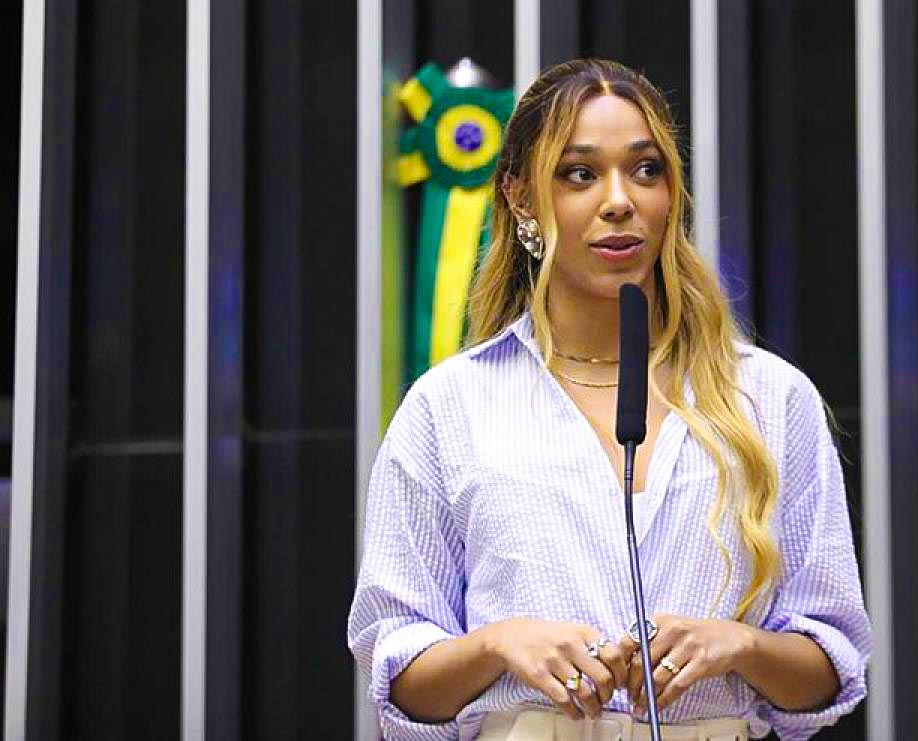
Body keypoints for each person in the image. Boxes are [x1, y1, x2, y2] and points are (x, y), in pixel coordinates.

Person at [348, 58, 870, 741]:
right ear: (521, 198)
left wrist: (740, 645)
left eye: (646, 169)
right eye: (580, 173)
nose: (619, 200)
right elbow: (398, 683)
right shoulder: (449, 407)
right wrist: (499, 644)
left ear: (671, 194)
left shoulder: (771, 397)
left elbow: (832, 670)